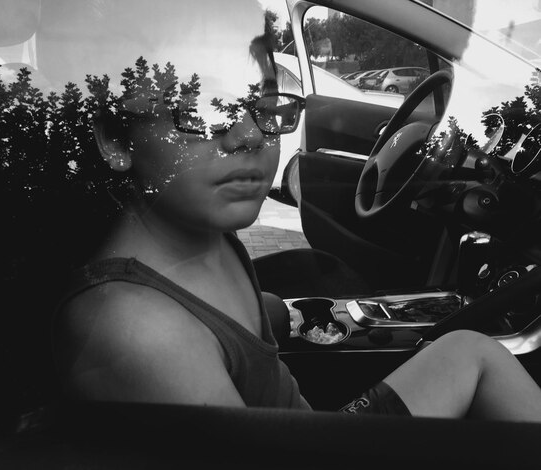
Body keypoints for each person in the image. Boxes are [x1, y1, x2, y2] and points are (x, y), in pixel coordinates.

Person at [51, 0, 541, 421]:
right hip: (303, 452)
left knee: (461, 349)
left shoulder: (206, 235)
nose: (250, 135)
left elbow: (249, 336)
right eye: (203, 109)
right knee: (474, 354)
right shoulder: (138, 329)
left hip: (302, 432)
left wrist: (288, 315)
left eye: (266, 106)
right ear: (116, 140)